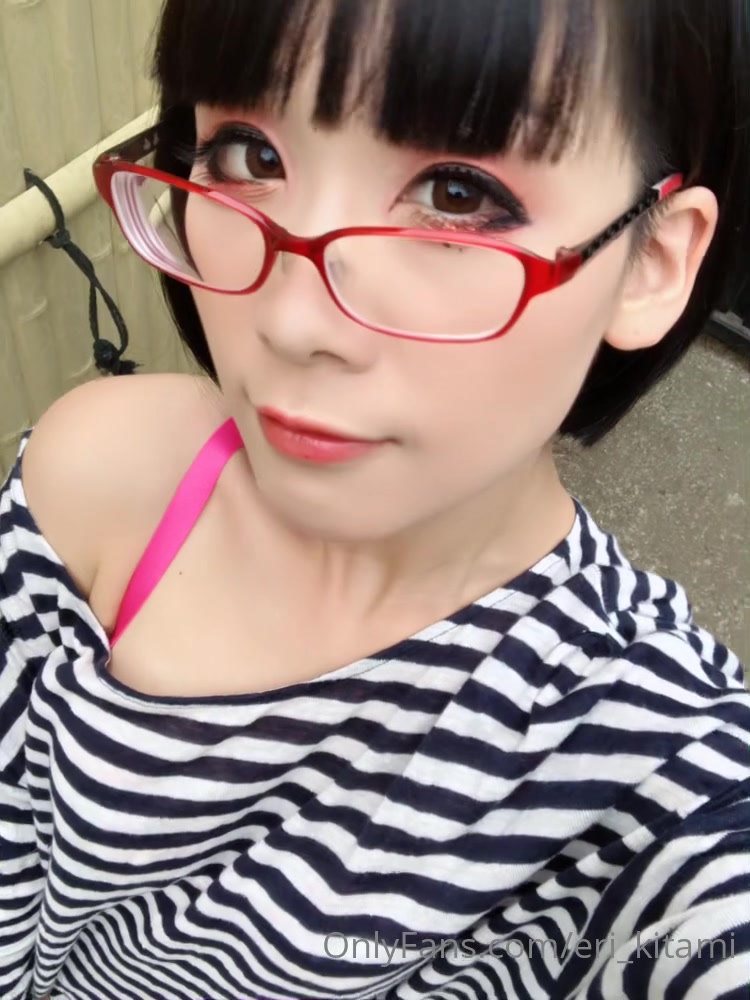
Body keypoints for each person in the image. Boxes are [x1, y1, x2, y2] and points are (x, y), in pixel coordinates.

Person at [1, 1, 749, 997]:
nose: (294, 320)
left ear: (651, 259)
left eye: (458, 193)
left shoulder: (647, 747)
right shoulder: (105, 479)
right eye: (249, 155)